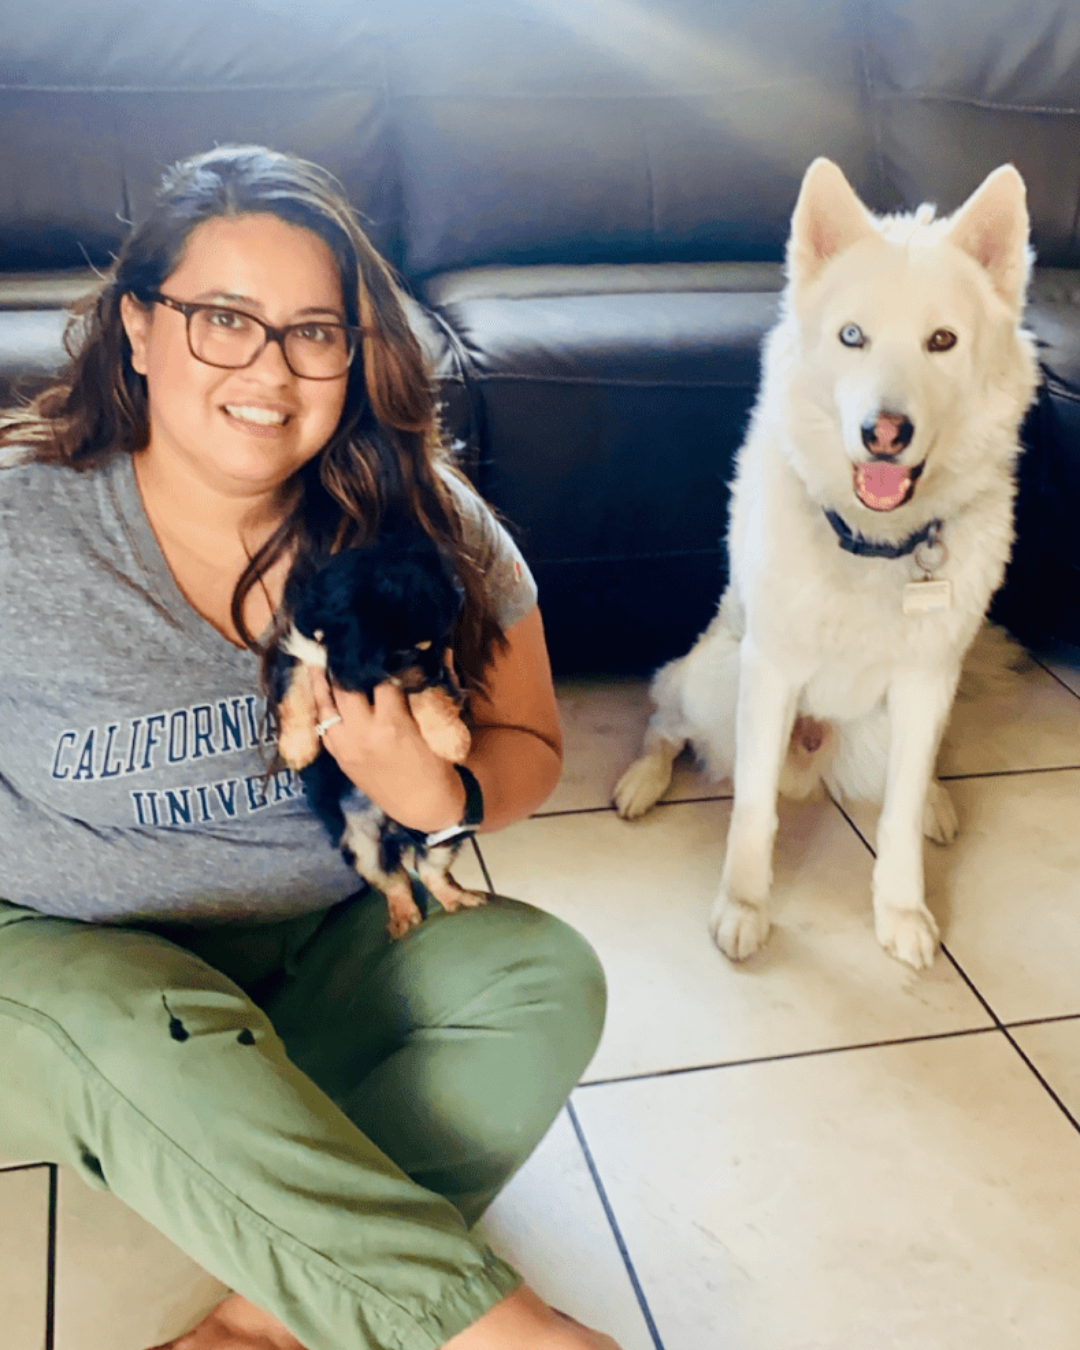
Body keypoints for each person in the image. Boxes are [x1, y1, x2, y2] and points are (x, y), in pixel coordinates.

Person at [0, 145, 621, 1350]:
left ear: (356, 352)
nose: (270, 371)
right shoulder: (18, 525)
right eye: (222, 319)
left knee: (541, 977)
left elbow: (532, 738)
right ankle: (504, 1336)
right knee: (138, 1014)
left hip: (313, 963)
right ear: (138, 327)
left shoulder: (425, 520)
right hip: (60, 974)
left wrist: (445, 791)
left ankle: (258, 1322)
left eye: (313, 332)